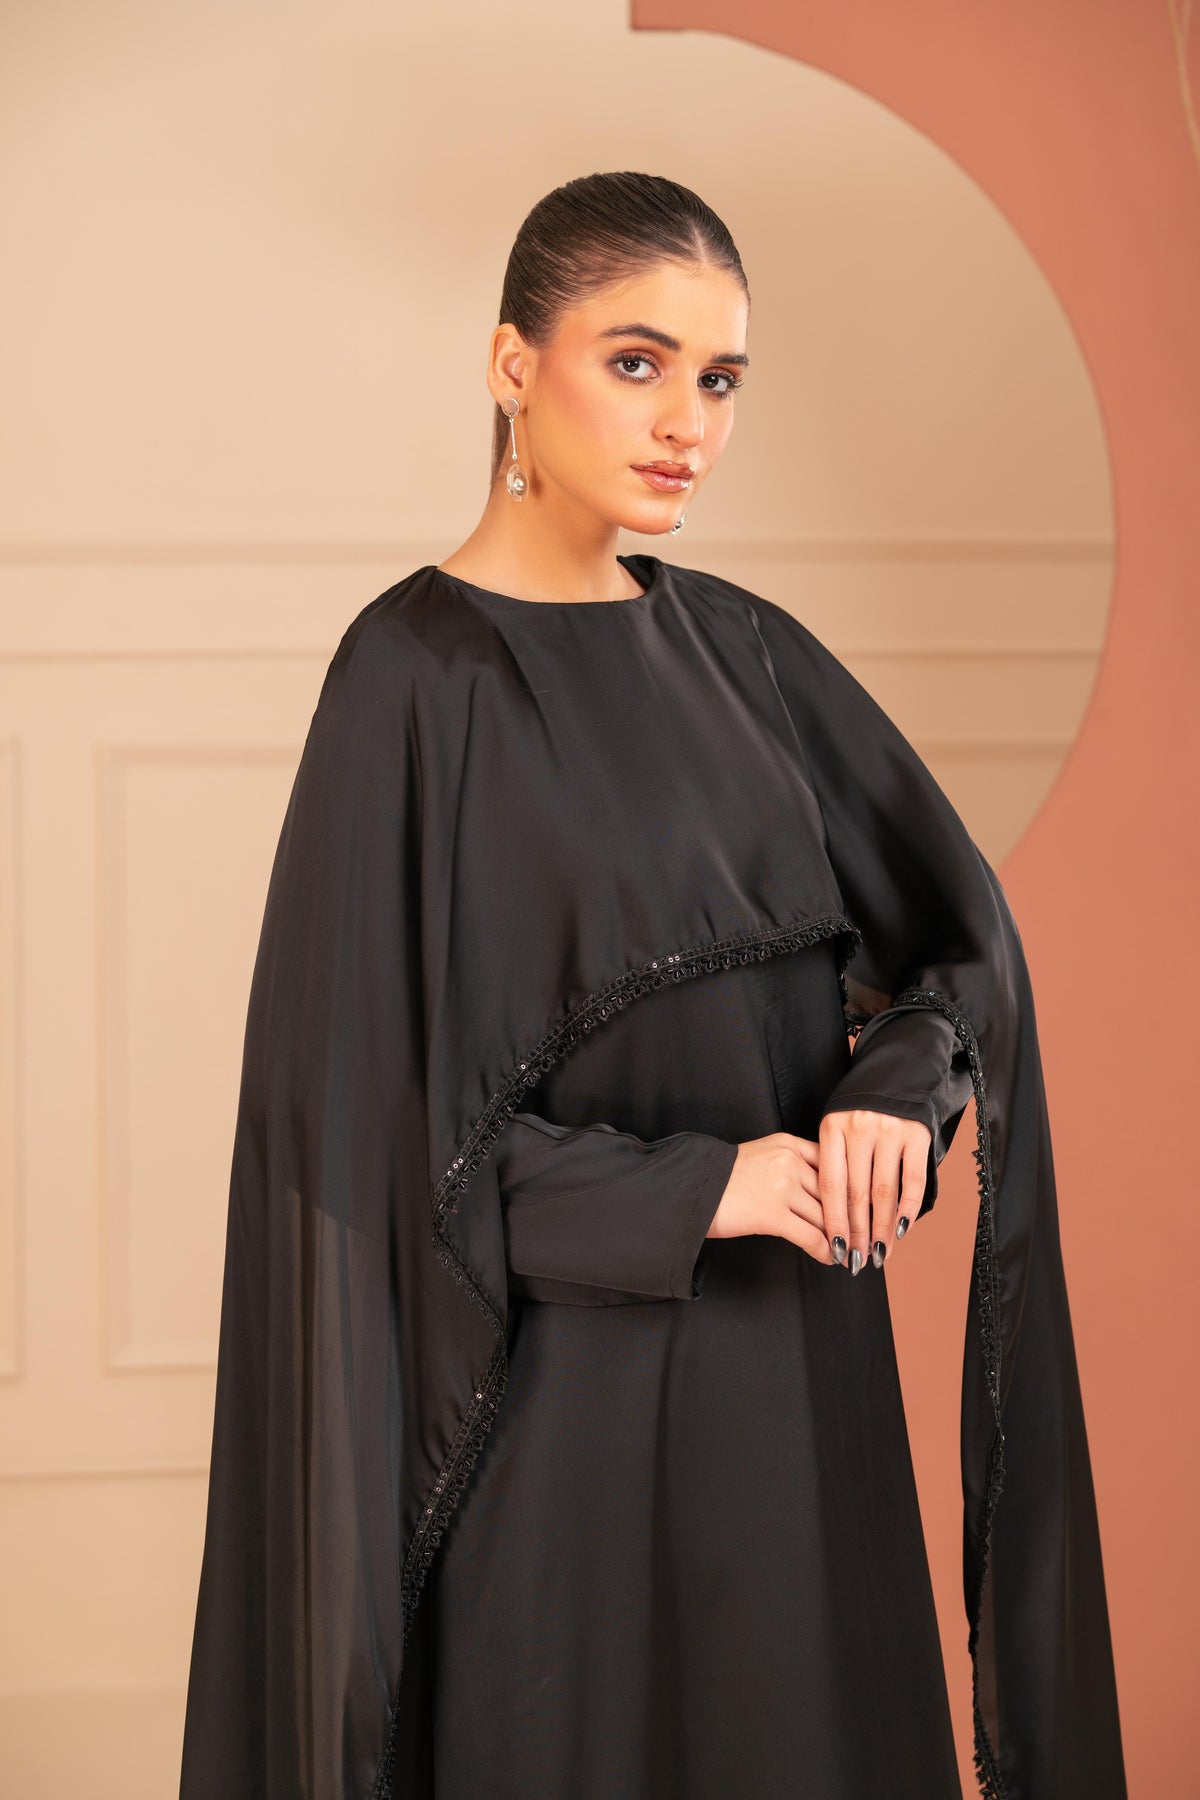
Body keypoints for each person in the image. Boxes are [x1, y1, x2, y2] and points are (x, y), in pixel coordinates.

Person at [179, 172, 1127, 1799]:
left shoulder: (751, 658)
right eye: (637, 362)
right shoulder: (409, 684)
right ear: (512, 367)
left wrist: (894, 1095)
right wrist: (710, 1188)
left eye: (722, 378)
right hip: (562, 1450)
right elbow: (366, 1165)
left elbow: (960, 949)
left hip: (802, 1419)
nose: (689, 422)